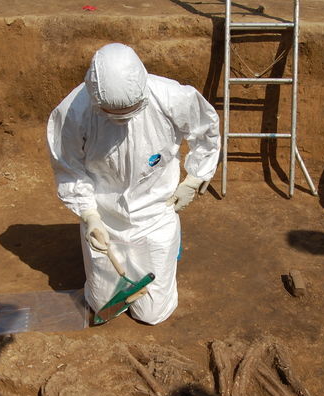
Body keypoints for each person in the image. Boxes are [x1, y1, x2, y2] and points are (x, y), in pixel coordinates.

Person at [47, 43, 220, 325]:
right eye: (113, 113)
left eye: (131, 110)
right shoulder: (72, 114)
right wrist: (89, 215)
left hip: (155, 214)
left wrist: (197, 177)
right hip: (106, 218)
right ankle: (107, 257)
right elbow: (69, 168)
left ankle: (170, 245)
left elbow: (206, 132)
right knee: (102, 304)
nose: (123, 118)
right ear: (94, 99)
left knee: (152, 314)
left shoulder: (172, 97)